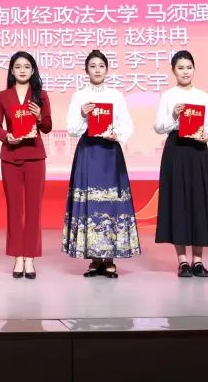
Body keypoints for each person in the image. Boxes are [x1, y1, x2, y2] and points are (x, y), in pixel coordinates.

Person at [62, 49, 140, 278]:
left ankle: (109, 258)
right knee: (90, 201)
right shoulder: (80, 96)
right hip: (89, 152)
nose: (97, 70)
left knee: (111, 202)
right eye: (93, 66)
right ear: (86, 70)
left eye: (101, 66)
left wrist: (117, 134)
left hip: (110, 152)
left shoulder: (116, 95)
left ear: (107, 69)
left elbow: (127, 124)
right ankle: (94, 259)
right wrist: (82, 114)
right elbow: (71, 129)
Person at [153, 50, 208, 278]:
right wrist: (173, 116)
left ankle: (198, 260)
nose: (185, 71)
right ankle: (182, 260)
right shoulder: (168, 96)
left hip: (198, 151)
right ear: (173, 71)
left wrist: (206, 135)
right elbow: (158, 127)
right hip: (176, 151)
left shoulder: (203, 96)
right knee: (178, 203)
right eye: (180, 68)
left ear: (194, 69)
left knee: (198, 202)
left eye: (189, 67)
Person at [0, 51, 52, 279]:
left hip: (35, 157)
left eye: (26, 66)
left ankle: (30, 258)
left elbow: (47, 127)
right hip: (11, 157)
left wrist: (39, 116)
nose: (22, 70)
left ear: (33, 70)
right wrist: (6, 136)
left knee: (34, 210)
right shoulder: (3, 96)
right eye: (18, 66)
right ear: (12, 70)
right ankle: (17, 256)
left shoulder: (41, 95)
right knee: (15, 209)